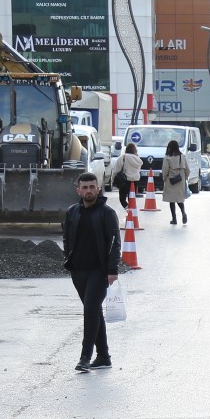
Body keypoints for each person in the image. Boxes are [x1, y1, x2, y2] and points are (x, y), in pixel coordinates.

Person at [61, 171, 120, 372]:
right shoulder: (72, 212)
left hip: (99, 272)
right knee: (94, 311)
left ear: (98, 189)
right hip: (78, 271)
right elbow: (66, 237)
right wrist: (67, 258)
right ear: (78, 190)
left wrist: (112, 270)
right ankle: (103, 356)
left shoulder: (107, 213)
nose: (88, 191)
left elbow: (114, 244)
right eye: (84, 187)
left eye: (92, 187)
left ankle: (85, 357)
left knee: (90, 310)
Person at [162, 140, 191, 225]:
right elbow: (188, 170)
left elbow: (165, 170)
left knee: (171, 200)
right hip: (180, 181)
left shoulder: (167, 157)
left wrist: (164, 178)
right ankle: (183, 212)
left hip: (170, 181)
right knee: (179, 199)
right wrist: (185, 178)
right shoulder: (182, 156)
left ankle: (174, 219)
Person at [114, 143, 142, 208]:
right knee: (132, 199)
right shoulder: (138, 159)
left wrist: (113, 180)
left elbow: (116, 170)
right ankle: (131, 212)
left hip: (124, 181)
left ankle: (128, 210)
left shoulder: (123, 157)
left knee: (122, 199)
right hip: (135, 181)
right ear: (135, 150)